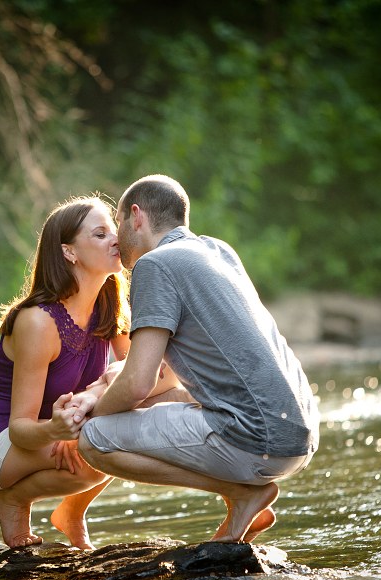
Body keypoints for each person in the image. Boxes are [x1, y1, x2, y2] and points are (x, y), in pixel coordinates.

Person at [75, 174, 320, 544]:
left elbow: (138, 382)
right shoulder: (218, 251)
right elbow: (167, 377)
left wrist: (92, 414)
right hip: (302, 434)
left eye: (119, 220)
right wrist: (109, 389)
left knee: (93, 439)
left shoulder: (154, 266)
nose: (116, 235)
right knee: (163, 400)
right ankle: (242, 505)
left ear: (136, 216)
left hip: (259, 440)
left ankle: (242, 494)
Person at [0, 195, 131, 550]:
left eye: (114, 230)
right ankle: (12, 501)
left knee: (129, 429)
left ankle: (71, 512)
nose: (116, 239)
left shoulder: (109, 303)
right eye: (100, 234)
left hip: (49, 432)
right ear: (69, 252)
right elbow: (21, 428)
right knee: (99, 452)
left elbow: (135, 375)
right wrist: (56, 430)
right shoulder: (38, 322)